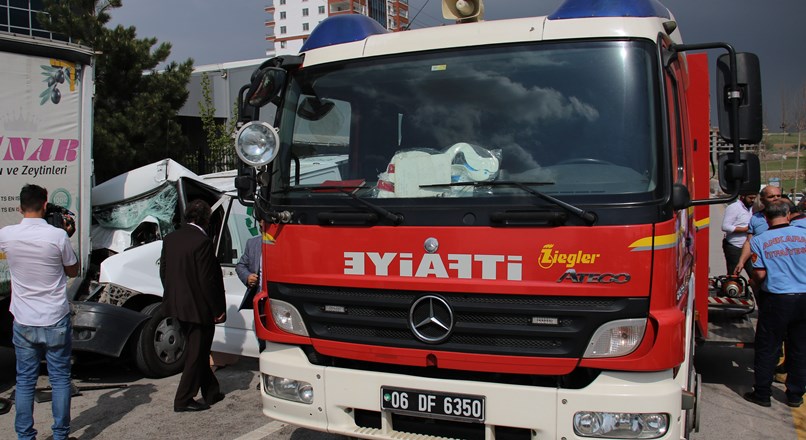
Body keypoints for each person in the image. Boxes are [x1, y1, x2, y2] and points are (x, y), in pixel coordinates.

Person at [0, 184, 79, 440]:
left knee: (24, 381)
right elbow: (73, 271)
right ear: (45, 205)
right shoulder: (57, 236)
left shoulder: (6, 235)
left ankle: (25, 436)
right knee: (59, 379)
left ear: (19, 208)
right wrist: (67, 234)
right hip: (54, 317)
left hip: (23, 319)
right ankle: (60, 435)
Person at [160, 199, 226, 412]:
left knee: (198, 348)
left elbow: (164, 272)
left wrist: (174, 296)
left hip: (177, 304)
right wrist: (217, 309)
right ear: (206, 219)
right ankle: (183, 399)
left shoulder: (170, 239)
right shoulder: (202, 242)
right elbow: (208, 280)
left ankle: (211, 391)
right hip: (199, 308)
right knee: (196, 353)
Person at [743, 200, 806, 408]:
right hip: (803, 297)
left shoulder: (760, 240)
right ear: (788, 214)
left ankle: (762, 393)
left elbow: (760, 273)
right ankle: (795, 394)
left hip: (777, 299)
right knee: (799, 347)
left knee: (768, 346)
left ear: (766, 218)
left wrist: (752, 282)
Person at [235, 219, 265, 351]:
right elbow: (241, 265)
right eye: (259, 221)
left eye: (263, 221)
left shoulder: (283, 242)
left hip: (278, 298)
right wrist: (247, 277)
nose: (260, 224)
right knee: (262, 337)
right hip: (259, 298)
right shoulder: (252, 243)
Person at [721, 192, 757, 277]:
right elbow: (725, 226)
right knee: (734, 274)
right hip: (735, 247)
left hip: (750, 248)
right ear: (743, 196)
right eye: (750, 198)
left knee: (754, 274)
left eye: (754, 198)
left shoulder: (753, 208)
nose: (752, 200)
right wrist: (745, 229)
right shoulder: (734, 207)